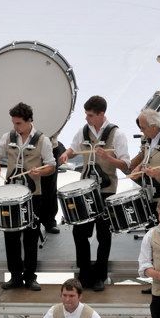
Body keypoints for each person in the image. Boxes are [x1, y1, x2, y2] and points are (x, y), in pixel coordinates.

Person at [59, 96, 132, 291]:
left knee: (103, 234)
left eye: (90, 115)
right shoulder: (83, 131)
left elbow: (126, 165)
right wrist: (67, 154)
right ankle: (84, 274)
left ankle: (100, 275)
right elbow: (74, 148)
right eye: (86, 114)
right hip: (85, 189)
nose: (87, 118)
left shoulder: (117, 134)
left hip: (106, 189)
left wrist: (108, 157)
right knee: (79, 231)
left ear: (101, 114)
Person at [0, 102, 56, 291]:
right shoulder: (8, 137)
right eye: (14, 123)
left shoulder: (43, 140)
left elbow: (51, 165)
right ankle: (15, 276)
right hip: (10, 195)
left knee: (30, 237)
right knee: (10, 237)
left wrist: (39, 173)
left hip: (32, 195)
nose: (15, 127)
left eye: (18, 123)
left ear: (29, 121)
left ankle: (30, 276)